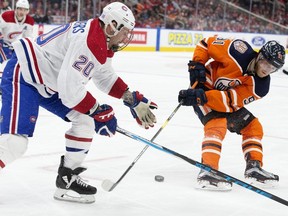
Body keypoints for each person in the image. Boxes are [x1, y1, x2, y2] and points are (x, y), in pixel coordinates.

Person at [0, 1, 157, 204]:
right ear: (111, 26)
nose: (127, 37)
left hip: (47, 82)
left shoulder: (101, 38)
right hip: (25, 74)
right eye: (125, 31)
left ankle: (67, 178)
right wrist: (97, 111)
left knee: (85, 121)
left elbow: (104, 76)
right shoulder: (89, 41)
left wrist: (131, 98)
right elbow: (70, 91)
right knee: (15, 143)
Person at [178, 36, 285, 191]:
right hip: (203, 86)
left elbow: (229, 101)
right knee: (217, 123)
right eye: (266, 63)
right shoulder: (237, 50)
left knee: (253, 127)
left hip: (214, 98)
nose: (267, 70)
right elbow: (205, 44)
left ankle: (253, 167)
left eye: (273, 68)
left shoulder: (261, 87)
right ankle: (207, 170)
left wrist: (202, 98)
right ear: (260, 56)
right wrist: (197, 63)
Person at [0, 0, 34, 93]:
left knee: (13, 64)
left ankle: (5, 84)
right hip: (2, 42)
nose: (21, 12)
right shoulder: (6, 16)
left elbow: (28, 37)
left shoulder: (29, 21)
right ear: (16, 9)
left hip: (11, 45)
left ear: (27, 11)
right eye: (19, 9)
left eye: (24, 10)